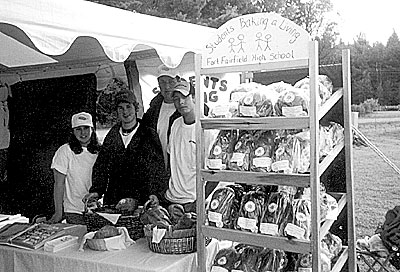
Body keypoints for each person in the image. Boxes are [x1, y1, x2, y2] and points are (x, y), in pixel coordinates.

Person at [83, 90, 169, 207]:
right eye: (120, 108)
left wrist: (155, 193)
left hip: (142, 200)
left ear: (136, 108)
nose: (125, 112)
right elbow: (101, 166)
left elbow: (157, 168)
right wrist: (96, 191)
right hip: (115, 199)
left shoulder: (148, 135)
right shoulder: (112, 136)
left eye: (128, 107)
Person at [164, 81, 217, 212]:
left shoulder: (208, 130)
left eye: (185, 97)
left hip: (192, 201)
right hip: (172, 199)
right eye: (176, 99)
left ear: (194, 97)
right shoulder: (175, 124)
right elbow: (172, 161)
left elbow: (215, 173)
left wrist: (199, 202)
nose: (181, 102)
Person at [48, 112, 100, 224]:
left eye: (86, 128)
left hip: (98, 211)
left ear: (92, 129)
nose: (83, 133)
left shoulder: (101, 152)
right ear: (73, 131)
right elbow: (58, 184)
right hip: (73, 212)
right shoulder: (65, 151)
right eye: (78, 129)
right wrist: (58, 213)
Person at [142, 64, 181, 169]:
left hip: (179, 169)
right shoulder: (152, 110)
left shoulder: (186, 109)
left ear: (178, 82)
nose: (167, 87)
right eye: (162, 82)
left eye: (171, 82)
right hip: (156, 170)